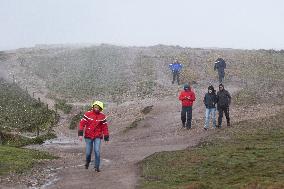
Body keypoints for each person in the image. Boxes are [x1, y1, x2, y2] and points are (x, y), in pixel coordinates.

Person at [78, 101, 109, 172]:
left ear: (101, 108)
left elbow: (105, 127)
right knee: (88, 152)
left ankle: (97, 167)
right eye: (95, 107)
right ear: (93, 107)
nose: (97, 109)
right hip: (88, 136)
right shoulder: (87, 114)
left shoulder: (102, 116)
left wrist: (106, 136)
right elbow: (81, 124)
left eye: (98, 108)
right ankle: (87, 162)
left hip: (97, 136)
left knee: (97, 151)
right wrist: (80, 134)